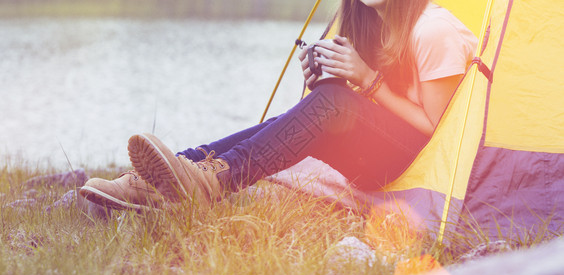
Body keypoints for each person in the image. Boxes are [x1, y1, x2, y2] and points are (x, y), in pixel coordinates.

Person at [79, 0, 478, 210]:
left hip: (418, 165)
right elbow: (371, 112)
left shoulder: (434, 30)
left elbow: (439, 133)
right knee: (321, 104)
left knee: (336, 102)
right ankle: (166, 176)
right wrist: (326, 80)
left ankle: (211, 180)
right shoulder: (375, 28)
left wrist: (366, 82)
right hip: (379, 155)